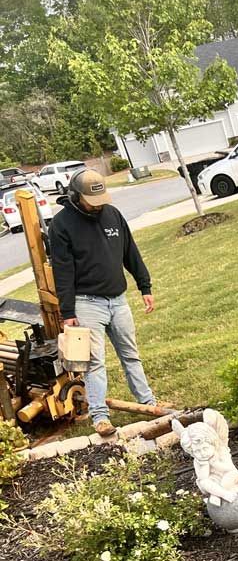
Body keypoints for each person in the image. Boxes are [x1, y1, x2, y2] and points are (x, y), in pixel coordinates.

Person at [49, 167, 157, 436]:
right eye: (90, 201)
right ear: (75, 195)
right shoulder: (61, 225)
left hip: (118, 300)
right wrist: (68, 311)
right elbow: (63, 271)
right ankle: (100, 417)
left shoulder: (112, 214)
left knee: (131, 355)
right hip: (86, 302)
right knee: (94, 361)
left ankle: (149, 404)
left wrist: (144, 286)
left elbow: (130, 252)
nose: (96, 206)